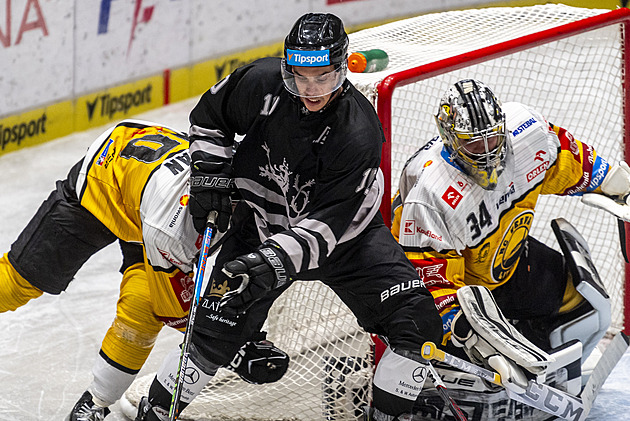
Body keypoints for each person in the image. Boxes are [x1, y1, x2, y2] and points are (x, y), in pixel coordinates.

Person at [135, 13, 442, 421]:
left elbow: (326, 226)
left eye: (323, 77)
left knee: (416, 324)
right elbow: (210, 119)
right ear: (286, 67)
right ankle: (156, 411)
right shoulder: (260, 84)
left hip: (350, 243)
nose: (311, 89)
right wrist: (210, 173)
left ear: (341, 70)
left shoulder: (358, 131)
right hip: (260, 225)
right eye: (300, 76)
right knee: (210, 334)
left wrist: (269, 263)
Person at [0, 120, 289, 421]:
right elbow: (174, 310)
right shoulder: (173, 231)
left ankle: (95, 402)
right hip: (104, 182)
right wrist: (236, 346)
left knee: (142, 306)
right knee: (14, 286)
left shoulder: (247, 191)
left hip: (150, 190)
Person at [390, 79, 625, 417]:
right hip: (461, 290)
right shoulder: (430, 192)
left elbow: (566, 158)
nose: (487, 152)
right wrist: (473, 337)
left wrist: (611, 180)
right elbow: (432, 282)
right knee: (460, 360)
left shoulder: (525, 133)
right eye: (474, 145)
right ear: (451, 141)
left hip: (508, 260)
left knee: (584, 307)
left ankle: (539, 388)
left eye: (493, 138)